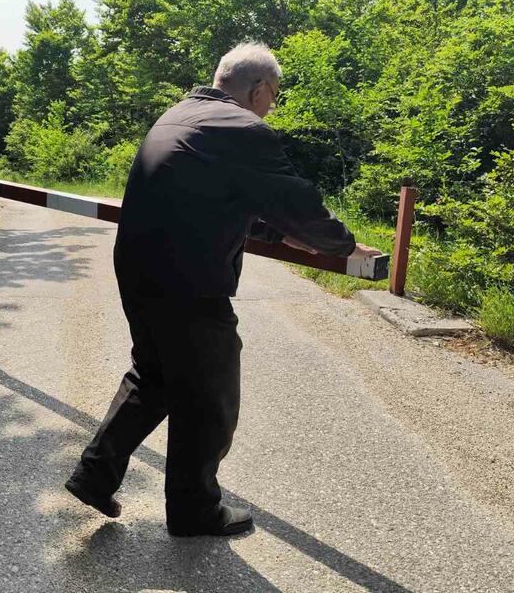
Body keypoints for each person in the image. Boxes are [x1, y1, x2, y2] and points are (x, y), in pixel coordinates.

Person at [65, 41, 382, 537]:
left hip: (138, 268)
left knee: (155, 376)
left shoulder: (178, 116)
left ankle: (94, 475)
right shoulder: (243, 130)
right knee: (209, 395)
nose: (271, 106)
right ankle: (194, 511)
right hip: (187, 280)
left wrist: (278, 234)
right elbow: (294, 203)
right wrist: (343, 246)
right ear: (258, 89)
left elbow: (219, 200)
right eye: (274, 96)